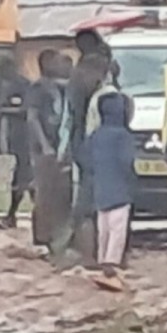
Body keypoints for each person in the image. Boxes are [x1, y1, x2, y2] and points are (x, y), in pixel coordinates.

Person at [55, 50, 111, 268]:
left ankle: (87, 253)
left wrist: (64, 152)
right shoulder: (99, 96)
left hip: (83, 151)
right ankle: (92, 255)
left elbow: (67, 125)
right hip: (91, 152)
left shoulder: (78, 91)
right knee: (89, 205)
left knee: (86, 203)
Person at [80, 92, 138, 280]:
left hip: (100, 188)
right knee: (118, 228)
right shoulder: (124, 136)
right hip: (121, 190)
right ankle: (112, 262)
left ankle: (102, 258)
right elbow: (127, 162)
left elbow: (84, 159)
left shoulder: (95, 135)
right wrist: (132, 181)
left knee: (103, 227)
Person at [27, 50, 71, 249]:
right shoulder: (38, 88)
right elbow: (33, 117)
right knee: (44, 192)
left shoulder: (61, 87)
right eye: (58, 61)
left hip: (59, 145)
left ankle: (56, 234)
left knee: (58, 192)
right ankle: (41, 237)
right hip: (43, 148)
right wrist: (44, 144)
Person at [0, 57, 32, 227]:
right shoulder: (3, 86)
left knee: (24, 176)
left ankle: (12, 213)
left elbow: (26, 109)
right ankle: (12, 214)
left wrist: (6, 111)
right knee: (22, 174)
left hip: (27, 135)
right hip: (16, 135)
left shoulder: (23, 86)